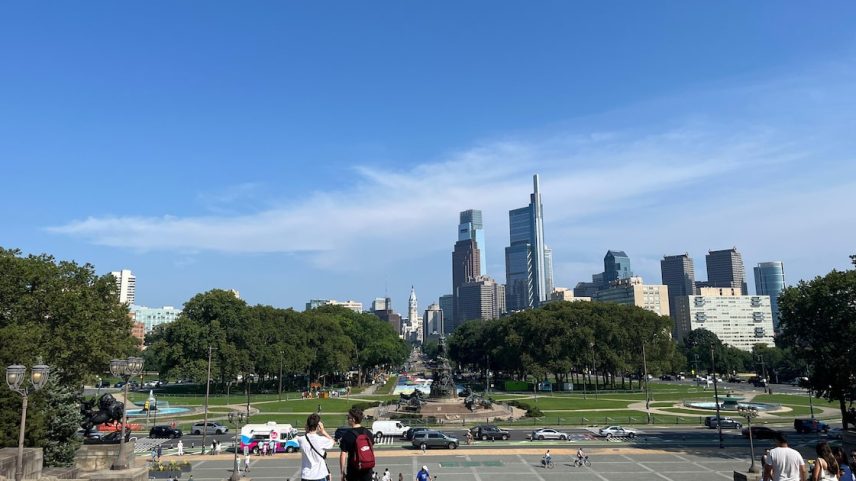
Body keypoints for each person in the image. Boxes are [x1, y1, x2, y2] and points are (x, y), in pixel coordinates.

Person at [339, 407, 374, 481]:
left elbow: (343, 455)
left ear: (353, 420)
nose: (347, 419)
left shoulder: (347, 435)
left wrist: (342, 472)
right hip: (367, 471)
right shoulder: (368, 433)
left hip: (353, 472)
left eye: (348, 417)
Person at [297, 413, 335, 481]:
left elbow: (306, 436)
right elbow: (332, 442)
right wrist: (323, 431)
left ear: (307, 425)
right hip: (320, 475)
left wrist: (307, 430)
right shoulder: (321, 439)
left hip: (306, 475)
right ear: (318, 426)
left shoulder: (301, 440)